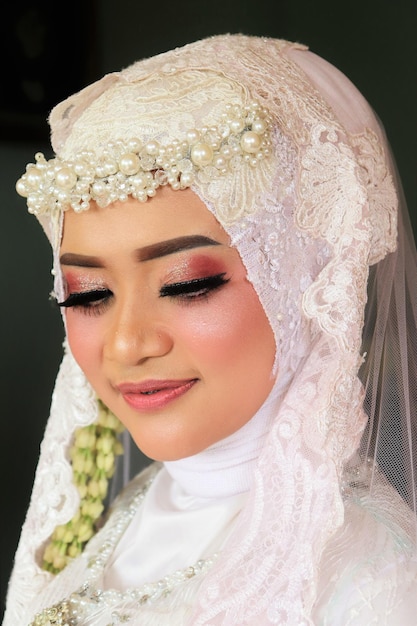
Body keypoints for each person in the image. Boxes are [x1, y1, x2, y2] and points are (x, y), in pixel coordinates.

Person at [3, 34, 417, 626]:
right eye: (87, 294)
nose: (127, 343)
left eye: (186, 285)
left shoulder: (371, 579)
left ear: (309, 281)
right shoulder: (129, 509)